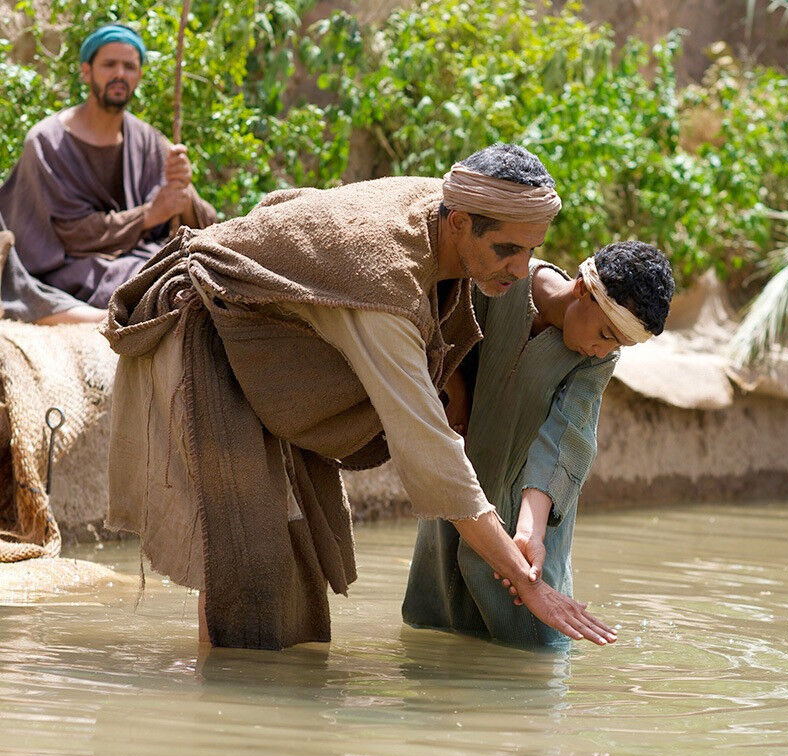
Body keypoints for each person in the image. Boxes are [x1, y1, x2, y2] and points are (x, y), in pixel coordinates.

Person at [102, 143, 618, 651]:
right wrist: (529, 585)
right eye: (507, 249)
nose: (522, 269)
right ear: (459, 223)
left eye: (532, 249)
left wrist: (452, 382)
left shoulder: (440, 214)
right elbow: (431, 453)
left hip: (273, 351)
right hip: (206, 327)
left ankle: (262, 707)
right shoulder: (384, 285)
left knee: (291, 553)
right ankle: (225, 705)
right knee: (248, 556)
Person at [403, 241, 673, 647]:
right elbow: (441, 329)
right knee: (435, 630)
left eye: (617, 345)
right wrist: (453, 388)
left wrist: (530, 534)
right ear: (582, 288)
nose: (603, 349)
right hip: (461, 487)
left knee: (533, 645)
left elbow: (565, 439)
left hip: (528, 507)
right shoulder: (502, 281)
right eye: (604, 333)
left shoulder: (595, 361)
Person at [0, 23, 216, 310]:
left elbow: (206, 224)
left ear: (139, 76)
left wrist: (183, 194)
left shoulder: (151, 142)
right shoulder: (46, 142)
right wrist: (149, 215)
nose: (119, 74)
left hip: (139, 258)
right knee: (151, 283)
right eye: (109, 64)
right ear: (86, 72)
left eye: (129, 66)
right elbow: (70, 235)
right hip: (71, 268)